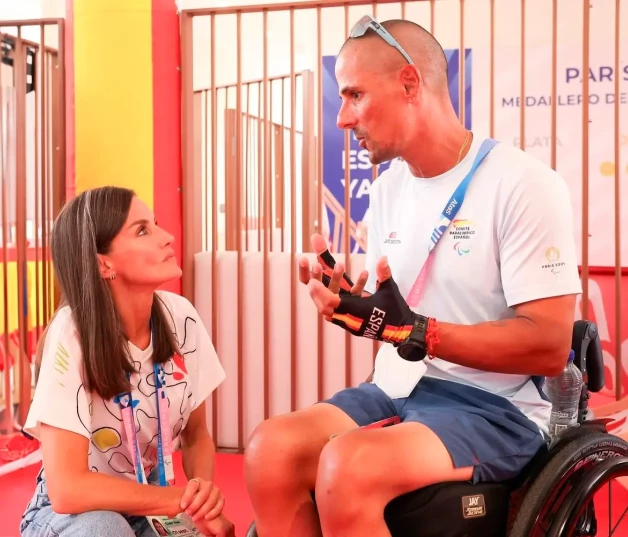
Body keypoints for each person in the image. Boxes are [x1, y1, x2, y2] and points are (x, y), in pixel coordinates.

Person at [244, 16, 582, 537]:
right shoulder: (386, 192)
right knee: (271, 449)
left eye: (355, 95)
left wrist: (417, 331)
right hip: (397, 386)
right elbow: (395, 314)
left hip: (496, 406)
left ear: (408, 83)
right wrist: (355, 308)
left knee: (347, 467)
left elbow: (549, 346)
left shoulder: (525, 185)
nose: (342, 118)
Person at [19, 187, 234, 537]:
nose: (167, 238)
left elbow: (196, 437)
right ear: (104, 263)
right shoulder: (70, 334)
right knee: (105, 529)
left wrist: (201, 505)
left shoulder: (181, 317)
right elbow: (67, 489)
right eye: (143, 230)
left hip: (147, 499)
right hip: (70, 515)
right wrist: (178, 501)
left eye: (156, 224)